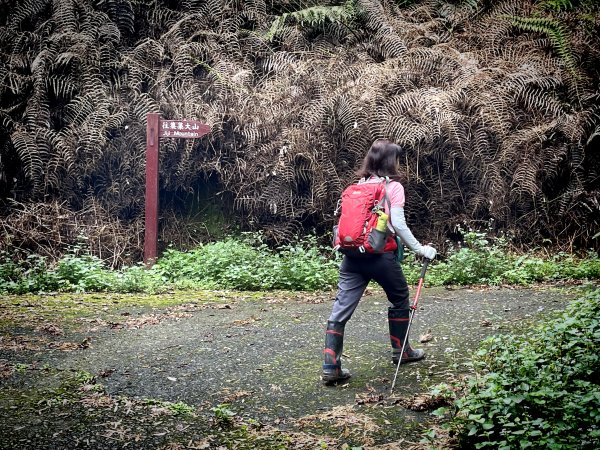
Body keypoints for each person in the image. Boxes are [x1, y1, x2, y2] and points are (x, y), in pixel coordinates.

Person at [322, 139, 437, 383]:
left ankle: (330, 367)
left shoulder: (356, 187)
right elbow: (398, 224)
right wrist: (420, 249)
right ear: (390, 161)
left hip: (352, 256)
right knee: (399, 298)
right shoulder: (392, 188)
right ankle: (401, 351)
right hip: (381, 256)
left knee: (340, 310)